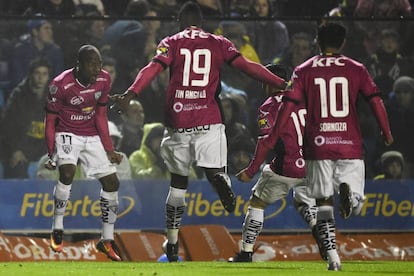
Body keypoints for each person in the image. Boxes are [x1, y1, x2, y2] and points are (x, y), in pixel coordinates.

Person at [110, 1, 286, 262]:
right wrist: (281, 82)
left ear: (181, 21)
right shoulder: (219, 42)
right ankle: (220, 178)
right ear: (201, 23)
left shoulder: (172, 41)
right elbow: (247, 67)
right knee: (213, 168)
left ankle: (171, 243)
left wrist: (130, 93)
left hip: (178, 122)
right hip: (209, 121)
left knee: (178, 184)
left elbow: (152, 68)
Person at [257, 22, 393, 270]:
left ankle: (333, 259)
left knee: (323, 205)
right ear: (343, 42)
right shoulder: (356, 68)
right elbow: (375, 100)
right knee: (357, 203)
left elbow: (287, 106)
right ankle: (350, 196)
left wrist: (272, 135)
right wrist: (386, 131)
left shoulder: (303, 70)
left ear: (317, 41)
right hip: (349, 144)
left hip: (317, 146)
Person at [229, 64, 323, 262]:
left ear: (268, 82)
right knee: (303, 200)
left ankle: (246, 253)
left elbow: (265, 142)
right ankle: (316, 225)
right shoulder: (304, 100)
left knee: (257, 202)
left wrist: (251, 170)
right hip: (310, 165)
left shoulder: (269, 106)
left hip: (284, 166)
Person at [44, 44, 123, 261]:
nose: (97, 68)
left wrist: (109, 149)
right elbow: (50, 121)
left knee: (112, 183)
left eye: (99, 63)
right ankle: (57, 228)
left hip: (91, 135)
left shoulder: (104, 80)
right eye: (91, 63)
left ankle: (106, 240)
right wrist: (51, 154)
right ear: (78, 65)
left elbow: (100, 115)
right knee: (67, 173)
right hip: (67, 132)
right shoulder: (60, 85)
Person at [1, 58, 51, 178]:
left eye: (44, 74)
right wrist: (16, 150)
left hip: (41, 151)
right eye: (37, 73)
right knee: (18, 169)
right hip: (17, 150)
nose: (40, 78)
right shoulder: (18, 96)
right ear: (30, 75)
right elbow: (9, 127)